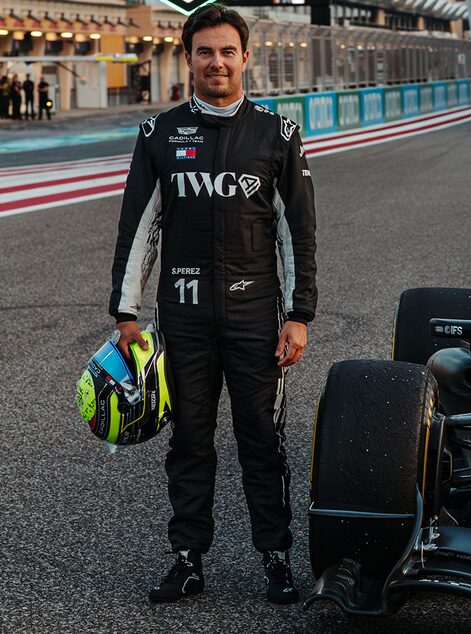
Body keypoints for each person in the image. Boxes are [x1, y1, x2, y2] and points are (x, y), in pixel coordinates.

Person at [109, 2, 317, 605]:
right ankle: (186, 559)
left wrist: (300, 314)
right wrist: (126, 312)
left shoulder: (278, 136)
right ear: (189, 58)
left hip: (257, 320)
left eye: (228, 51)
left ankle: (276, 559)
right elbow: (139, 229)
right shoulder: (159, 135)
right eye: (205, 52)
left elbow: (297, 234)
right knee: (189, 443)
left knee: (261, 440)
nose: (217, 62)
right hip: (184, 320)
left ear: (246, 58)